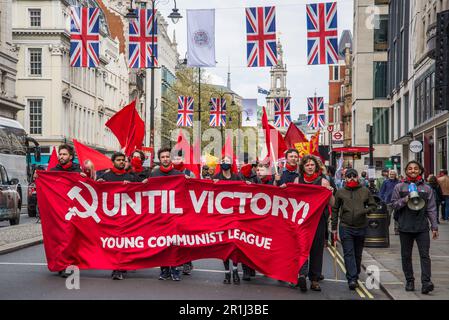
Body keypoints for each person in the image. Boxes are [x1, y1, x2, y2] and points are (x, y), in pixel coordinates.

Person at [391, 161, 439, 294]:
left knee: (425, 255)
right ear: (406, 171)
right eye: (410, 169)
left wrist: (434, 227)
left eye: (415, 169)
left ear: (420, 171)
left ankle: (426, 283)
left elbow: (431, 209)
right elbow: (394, 205)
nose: (413, 170)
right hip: (405, 227)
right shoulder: (399, 187)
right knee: (406, 256)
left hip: (422, 227)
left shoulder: (427, 188)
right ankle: (410, 280)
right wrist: (405, 200)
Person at [293, 155, 335, 292]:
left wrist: (330, 193)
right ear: (303, 167)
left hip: (318, 221)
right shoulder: (297, 180)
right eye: (307, 165)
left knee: (316, 250)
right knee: (300, 247)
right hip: (302, 221)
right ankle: (301, 274)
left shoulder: (323, 181)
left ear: (316, 166)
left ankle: (315, 280)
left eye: (312, 165)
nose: (310, 167)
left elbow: (332, 204)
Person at [331, 168, 377, 290]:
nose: (351, 178)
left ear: (357, 177)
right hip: (345, 227)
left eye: (354, 176)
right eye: (349, 176)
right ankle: (352, 279)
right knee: (348, 253)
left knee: (357, 254)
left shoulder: (365, 191)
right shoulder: (340, 192)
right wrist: (334, 227)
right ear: (345, 178)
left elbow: (373, 205)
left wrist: (364, 211)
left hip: (361, 226)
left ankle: (354, 275)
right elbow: (335, 209)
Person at [97, 152, 136, 281]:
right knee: (114, 244)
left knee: (123, 243)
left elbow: (140, 189)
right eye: (118, 160)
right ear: (113, 161)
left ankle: (121, 266)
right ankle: (116, 268)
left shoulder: (130, 177)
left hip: (126, 216)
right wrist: (99, 183)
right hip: (111, 216)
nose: (121, 162)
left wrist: (131, 185)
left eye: (123, 160)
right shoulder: (106, 176)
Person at [49, 144, 85, 278]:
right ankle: (61, 263)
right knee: (59, 238)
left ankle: (68, 265)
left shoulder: (77, 171)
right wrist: (38, 176)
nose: (61, 156)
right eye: (60, 154)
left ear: (71, 156)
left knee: (69, 238)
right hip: (57, 210)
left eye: (64, 154)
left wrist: (84, 177)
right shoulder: (53, 171)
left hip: (73, 210)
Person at [150, 147, 184, 281]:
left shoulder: (178, 174)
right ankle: (164, 270)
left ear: (170, 158)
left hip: (175, 214)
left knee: (175, 243)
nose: (165, 159)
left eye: (167, 156)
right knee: (162, 243)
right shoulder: (154, 174)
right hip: (160, 214)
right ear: (159, 159)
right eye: (163, 157)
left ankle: (175, 269)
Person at [213, 156, 242, 284]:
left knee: (234, 244)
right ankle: (227, 272)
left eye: (227, 162)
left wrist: (246, 184)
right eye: (223, 162)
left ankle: (235, 270)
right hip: (221, 216)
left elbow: (245, 191)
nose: (225, 164)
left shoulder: (237, 177)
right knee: (224, 245)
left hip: (235, 216)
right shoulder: (216, 178)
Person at [172, 149, 196, 276]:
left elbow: (197, 189)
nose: (176, 160)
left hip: (186, 210)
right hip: (170, 210)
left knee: (185, 238)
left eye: (178, 158)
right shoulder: (167, 172)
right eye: (174, 158)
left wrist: (189, 181)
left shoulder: (189, 173)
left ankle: (187, 262)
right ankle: (174, 261)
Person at [379, 170, 400, 234]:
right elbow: (381, 191)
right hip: (388, 202)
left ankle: (397, 229)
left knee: (397, 216)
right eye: (391, 174)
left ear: (395, 175)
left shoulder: (398, 182)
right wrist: (381, 199)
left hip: (397, 201)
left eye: (393, 174)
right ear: (389, 175)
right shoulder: (385, 182)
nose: (392, 175)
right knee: (388, 216)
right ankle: (386, 229)